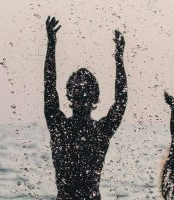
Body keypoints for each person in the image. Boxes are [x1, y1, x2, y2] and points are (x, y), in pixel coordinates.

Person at [42, 16, 128, 199]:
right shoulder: (60, 126)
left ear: (95, 97)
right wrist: (51, 46)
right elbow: (49, 86)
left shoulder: (98, 130)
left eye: (86, 91)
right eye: (78, 90)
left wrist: (120, 59)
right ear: (69, 94)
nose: (82, 95)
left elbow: (121, 101)